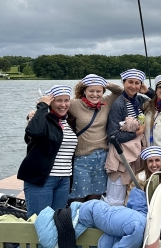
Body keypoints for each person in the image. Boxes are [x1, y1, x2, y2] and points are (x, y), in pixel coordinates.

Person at [18, 85, 78, 218]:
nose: (63, 105)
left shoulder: (69, 121)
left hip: (64, 179)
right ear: (50, 102)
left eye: (66, 100)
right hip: (42, 179)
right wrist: (42, 106)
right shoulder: (42, 119)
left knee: (57, 220)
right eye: (59, 101)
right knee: (39, 220)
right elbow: (33, 132)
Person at [67, 74, 123, 201]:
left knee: (96, 196)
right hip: (82, 158)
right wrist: (34, 113)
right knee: (78, 197)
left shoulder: (106, 102)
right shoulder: (75, 104)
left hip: (102, 157)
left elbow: (120, 92)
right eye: (91, 91)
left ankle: (91, 215)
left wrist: (105, 83)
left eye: (99, 91)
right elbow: (57, 105)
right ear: (84, 91)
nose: (95, 94)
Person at [105, 69, 154, 205]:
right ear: (123, 83)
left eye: (137, 83)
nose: (133, 86)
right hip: (121, 155)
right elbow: (113, 135)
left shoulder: (139, 100)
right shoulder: (118, 105)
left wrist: (147, 91)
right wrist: (137, 133)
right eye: (130, 82)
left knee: (132, 192)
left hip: (135, 154)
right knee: (116, 197)